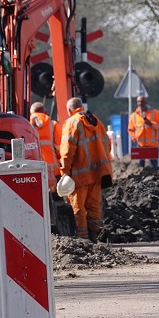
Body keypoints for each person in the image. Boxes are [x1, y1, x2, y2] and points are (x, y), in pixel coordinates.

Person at [60, 97, 112, 243]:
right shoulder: (95, 120)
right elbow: (107, 144)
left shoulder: (72, 122)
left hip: (79, 176)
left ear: (70, 110)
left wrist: (64, 172)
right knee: (94, 206)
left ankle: (83, 240)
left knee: (78, 208)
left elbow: (67, 150)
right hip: (97, 173)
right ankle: (94, 237)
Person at [127, 95, 159, 167]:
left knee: (154, 166)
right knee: (140, 166)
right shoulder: (133, 116)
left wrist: (151, 124)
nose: (140, 103)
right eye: (138, 101)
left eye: (142, 101)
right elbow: (130, 129)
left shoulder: (155, 113)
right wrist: (134, 137)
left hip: (152, 144)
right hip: (140, 145)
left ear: (146, 102)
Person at [29, 102, 62, 173]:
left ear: (31, 113)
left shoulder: (26, 125)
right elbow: (60, 148)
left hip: (33, 170)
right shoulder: (53, 125)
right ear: (45, 112)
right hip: (53, 170)